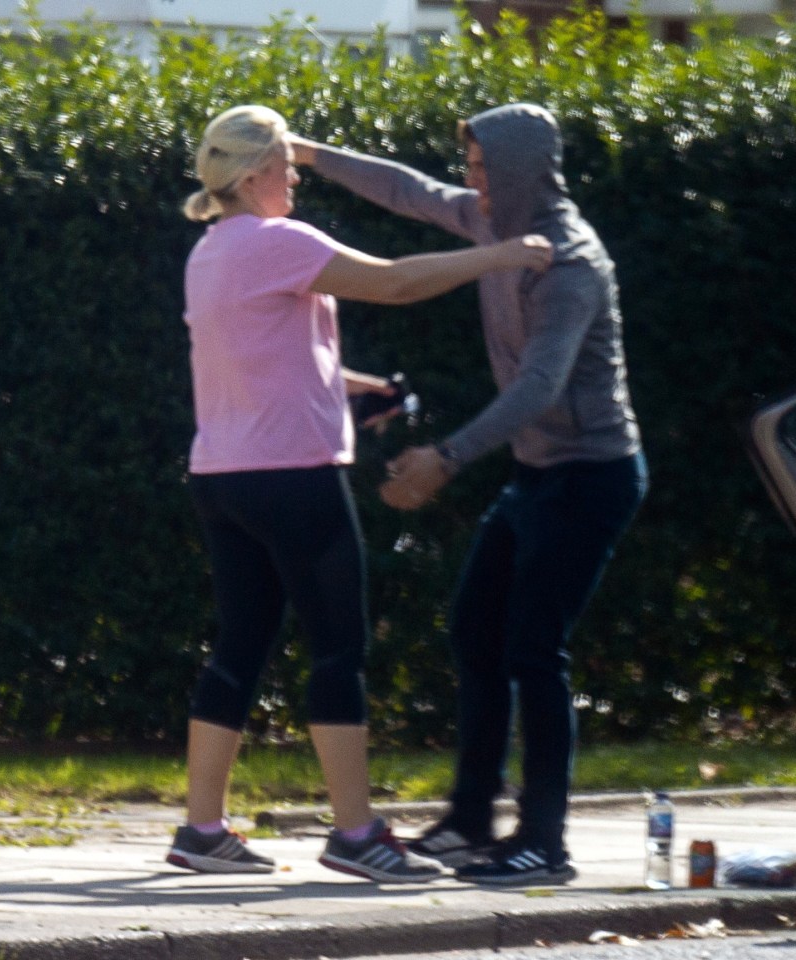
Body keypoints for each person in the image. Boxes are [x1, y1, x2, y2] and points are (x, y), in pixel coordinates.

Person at [165, 104, 553, 883]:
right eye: (284, 169)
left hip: (224, 479)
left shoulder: (208, 252)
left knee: (240, 645)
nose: (293, 182)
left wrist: (359, 388)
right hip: (294, 481)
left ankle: (200, 828)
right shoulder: (280, 242)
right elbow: (398, 283)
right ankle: (356, 835)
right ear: (252, 176)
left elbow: (263, 358)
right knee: (339, 649)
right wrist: (501, 253)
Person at [292, 102, 648, 885]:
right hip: (536, 476)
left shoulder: (569, 263)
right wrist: (311, 154)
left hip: (590, 476)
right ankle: (470, 818)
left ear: (521, 170)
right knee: (473, 634)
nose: (470, 180)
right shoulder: (494, 223)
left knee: (531, 650)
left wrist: (447, 457)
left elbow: (541, 385)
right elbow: (407, 189)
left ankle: (543, 844)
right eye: (472, 165)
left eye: (484, 167)